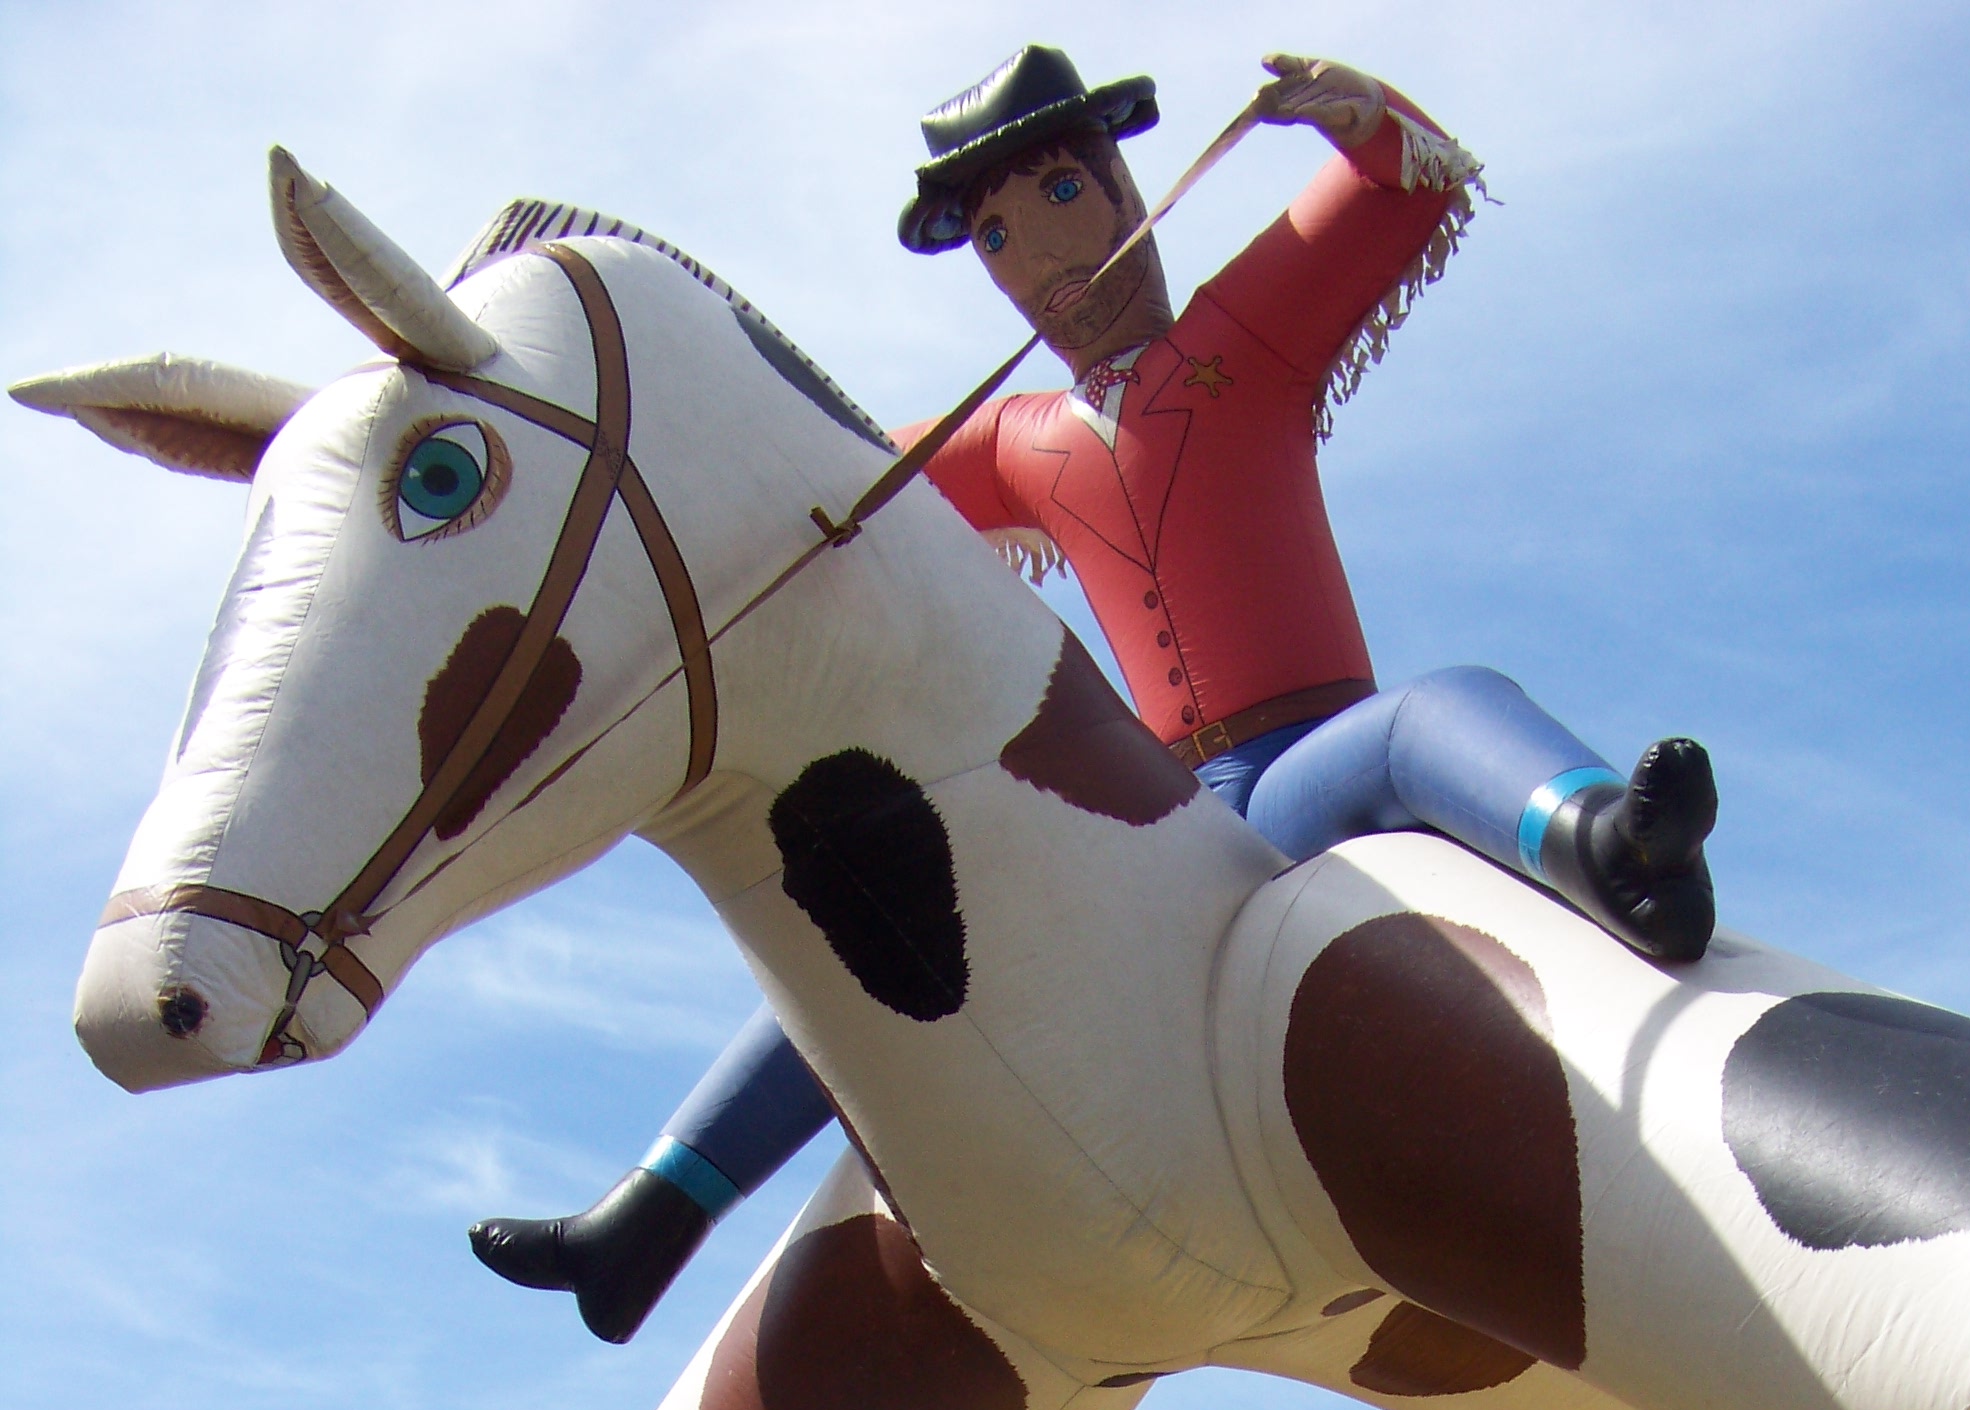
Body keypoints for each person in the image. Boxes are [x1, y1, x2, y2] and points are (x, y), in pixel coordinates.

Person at [475, 44, 1719, 1340]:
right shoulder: (1019, 441)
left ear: (1126, 194)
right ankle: (656, 1209)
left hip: (1318, 758)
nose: (1039, 260)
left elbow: (1405, 192)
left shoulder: (1248, 336)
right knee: (886, 914)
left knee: (1430, 710)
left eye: (1057, 199)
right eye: (998, 238)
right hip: (1168, 810)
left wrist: (1355, 116)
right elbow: (826, 473)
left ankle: (1609, 845)